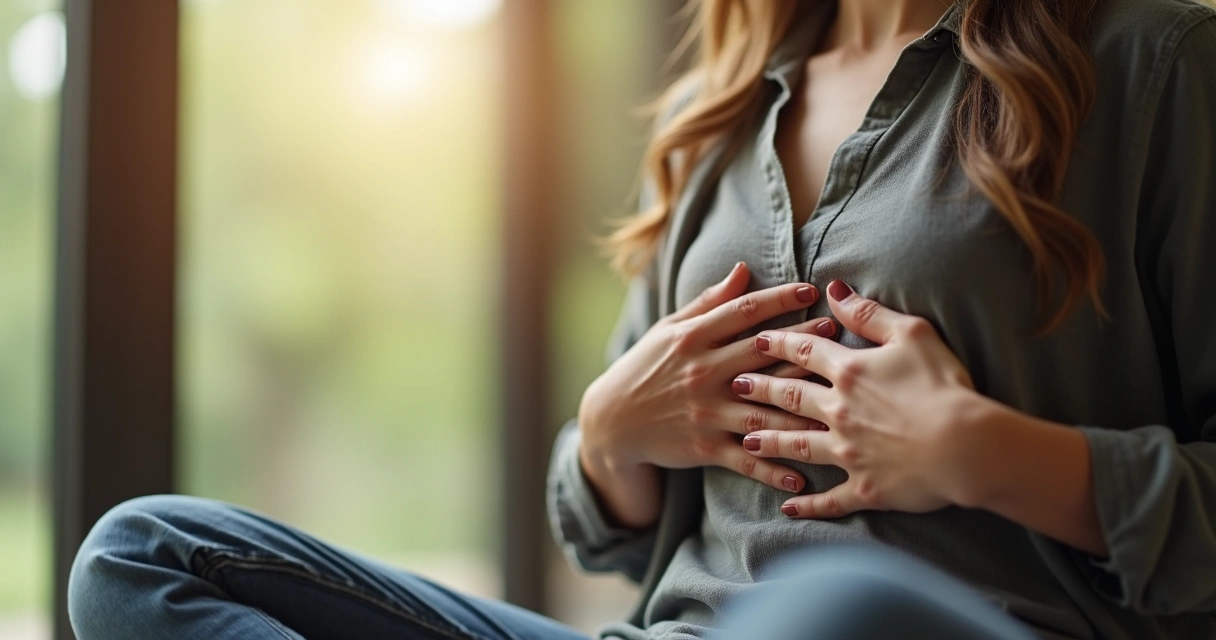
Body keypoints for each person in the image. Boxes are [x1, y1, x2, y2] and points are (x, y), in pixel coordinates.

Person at [68, 0, 1216, 638]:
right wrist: (610, 435)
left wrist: (987, 454)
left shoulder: (1156, 69)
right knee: (144, 556)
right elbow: (606, 522)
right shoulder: (712, 121)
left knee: (833, 606)